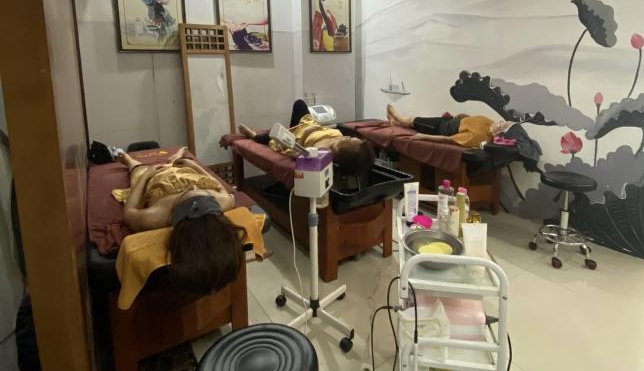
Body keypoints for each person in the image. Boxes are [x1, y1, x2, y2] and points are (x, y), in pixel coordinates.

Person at [114, 146, 244, 295]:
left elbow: (129, 212)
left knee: (138, 170)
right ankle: (177, 157)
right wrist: (195, 166)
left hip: (157, 181)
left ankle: (129, 161)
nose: (192, 188)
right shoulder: (221, 201)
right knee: (178, 165)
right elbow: (217, 186)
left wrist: (146, 176)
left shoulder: (157, 216)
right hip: (188, 174)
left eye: (191, 192)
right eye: (199, 192)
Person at [239, 99, 375, 182]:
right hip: (309, 124)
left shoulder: (322, 153)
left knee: (274, 137)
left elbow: (297, 154)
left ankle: (254, 136)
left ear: (344, 152)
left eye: (352, 140)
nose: (351, 137)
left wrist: (296, 151)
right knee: (300, 104)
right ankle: (288, 129)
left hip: (299, 135)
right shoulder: (340, 139)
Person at [386, 104, 510, 148]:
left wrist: (423, 137)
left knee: (413, 121)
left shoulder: (478, 137)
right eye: (501, 122)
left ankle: (396, 115)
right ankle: (395, 122)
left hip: (440, 128)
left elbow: (449, 139)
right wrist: (462, 116)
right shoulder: (488, 121)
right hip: (448, 120)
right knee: (416, 122)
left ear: (498, 134)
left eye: (501, 126)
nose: (499, 123)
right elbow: (472, 119)